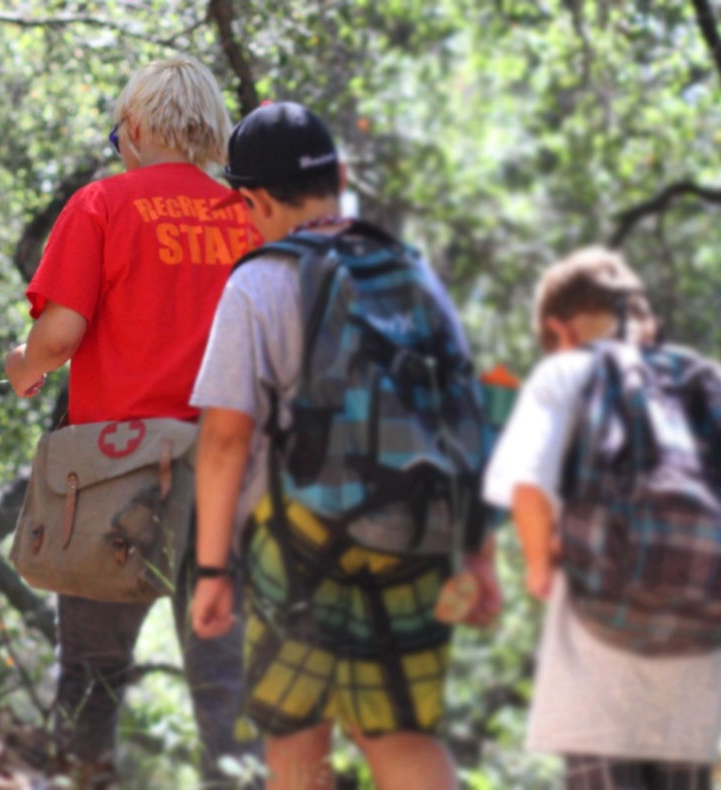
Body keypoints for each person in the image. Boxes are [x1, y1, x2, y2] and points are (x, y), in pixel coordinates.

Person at [186, 101, 502, 790]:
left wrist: (212, 571)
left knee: (298, 740)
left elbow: (225, 439)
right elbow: (466, 416)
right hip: (412, 537)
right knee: (400, 737)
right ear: (343, 174)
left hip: (297, 546)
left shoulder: (259, 281)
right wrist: (479, 554)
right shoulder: (411, 274)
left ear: (253, 198)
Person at [2, 57, 260, 781]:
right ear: (210, 133)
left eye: (120, 134)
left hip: (119, 476)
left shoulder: (102, 206)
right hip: (225, 474)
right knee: (225, 683)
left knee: (92, 674)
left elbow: (57, 339)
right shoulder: (247, 220)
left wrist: (21, 365)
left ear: (137, 127)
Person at [482, 248, 721, 790]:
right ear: (643, 320)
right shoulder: (706, 380)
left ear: (559, 329)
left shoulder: (565, 372)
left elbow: (528, 486)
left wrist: (538, 566)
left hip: (598, 662)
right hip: (697, 661)